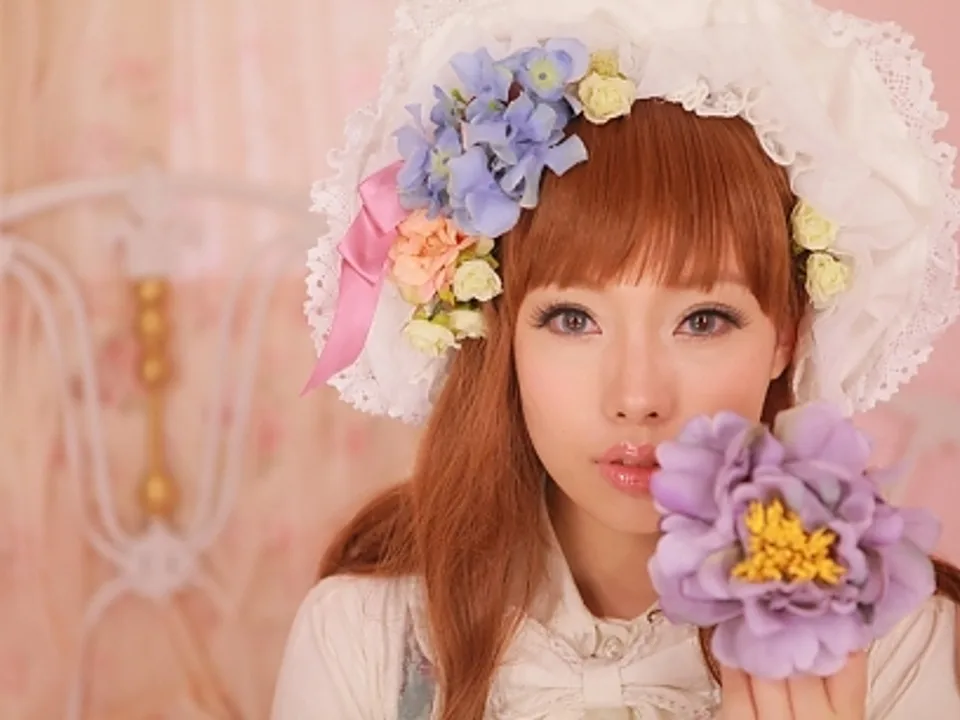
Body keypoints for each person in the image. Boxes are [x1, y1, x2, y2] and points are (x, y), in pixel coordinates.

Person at [273, 0, 960, 717]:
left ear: (786, 334)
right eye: (573, 319)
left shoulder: (896, 647)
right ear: (499, 333)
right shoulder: (368, 638)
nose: (637, 397)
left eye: (702, 320)